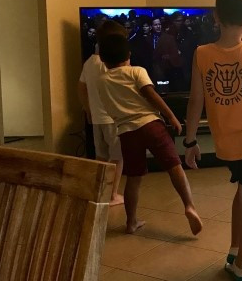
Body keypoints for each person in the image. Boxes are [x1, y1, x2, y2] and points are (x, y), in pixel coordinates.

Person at [184, 0, 242, 281]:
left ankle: (236, 250)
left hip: (225, 143)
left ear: (215, 16)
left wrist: (191, 141)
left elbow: (195, 101)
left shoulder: (201, 54)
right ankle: (240, 265)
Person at [97, 33, 203, 235]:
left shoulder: (101, 80)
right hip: (151, 125)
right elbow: (151, 95)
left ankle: (131, 222)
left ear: (102, 58)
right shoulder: (136, 71)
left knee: (133, 178)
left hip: (127, 132)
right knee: (174, 167)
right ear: (128, 55)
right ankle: (189, 206)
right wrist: (171, 116)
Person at [78, 20, 126, 206]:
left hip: (97, 117)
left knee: (101, 156)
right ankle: (112, 194)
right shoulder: (109, 64)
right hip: (112, 118)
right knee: (118, 157)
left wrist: (87, 108)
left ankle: (100, 192)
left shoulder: (89, 62)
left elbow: (81, 87)